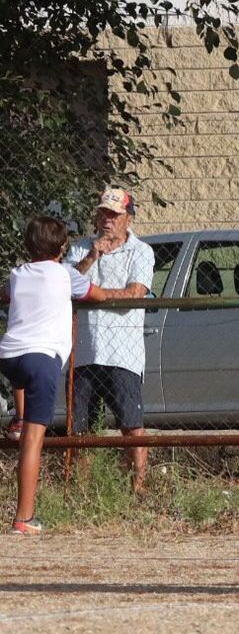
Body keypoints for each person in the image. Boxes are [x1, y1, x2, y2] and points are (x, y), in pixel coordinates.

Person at [1, 216, 121, 534]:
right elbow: (95, 294)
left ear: (28, 246)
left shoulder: (18, 273)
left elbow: (6, 294)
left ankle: (19, 418)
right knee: (33, 442)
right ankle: (24, 518)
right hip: (42, 359)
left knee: (21, 377)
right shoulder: (66, 273)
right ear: (63, 247)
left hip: (9, 355)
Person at [67, 187, 154, 493]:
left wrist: (95, 294)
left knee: (131, 425)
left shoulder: (141, 252)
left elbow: (135, 293)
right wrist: (92, 258)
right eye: (103, 213)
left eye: (114, 215)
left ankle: (138, 488)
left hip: (123, 354)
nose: (107, 220)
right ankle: (81, 490)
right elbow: (65, 285)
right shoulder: (79, 249)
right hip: (85, 351)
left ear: (128, 219)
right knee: (79, 429)